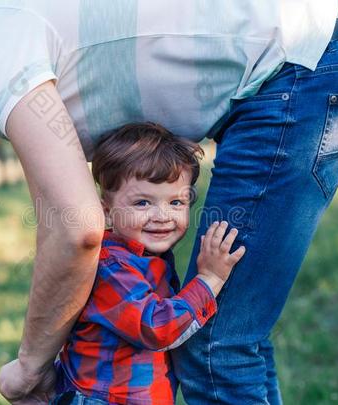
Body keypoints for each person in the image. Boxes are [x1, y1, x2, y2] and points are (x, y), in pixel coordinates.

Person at [0, 1, 338, 403]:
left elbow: (77, 230)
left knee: (214, 344)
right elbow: (60, 226)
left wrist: (31, 366)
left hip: (300, 75)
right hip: (299, 73)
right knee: (229, 340)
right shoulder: (3, 43)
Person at [49, 122, 244, 404]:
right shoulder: (112, 267)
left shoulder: (148, 259)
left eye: (176, 202)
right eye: (142, 203)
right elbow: (157, 327)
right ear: (107, 211)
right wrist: (210, 279)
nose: (162, 215)